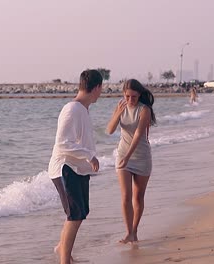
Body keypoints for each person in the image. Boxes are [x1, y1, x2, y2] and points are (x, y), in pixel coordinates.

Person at [48, 69, 103, 263]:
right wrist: (90, 156)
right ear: (97, 87)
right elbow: (62, 143)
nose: (101, 93)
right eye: (101, 89)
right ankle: (64, 259)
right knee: (75, 214)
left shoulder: (83, 109)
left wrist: (89, 158)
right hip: (65, 167)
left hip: (77, 167)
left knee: (80, 213)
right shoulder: (72, 109)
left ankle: (63, 248)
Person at [105, 79, 156, 244]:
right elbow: (109, 130)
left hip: (141, 157)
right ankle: (128, 233)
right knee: (126, 196)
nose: (130, 100)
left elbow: (138, 135)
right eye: (127, 96)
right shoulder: (121, 106)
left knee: (138, 196)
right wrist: (118, 114)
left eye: (133, 96)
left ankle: (134, 231)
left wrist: (128, 156)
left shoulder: (144, 110)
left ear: (139, 95)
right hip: (122, 155)